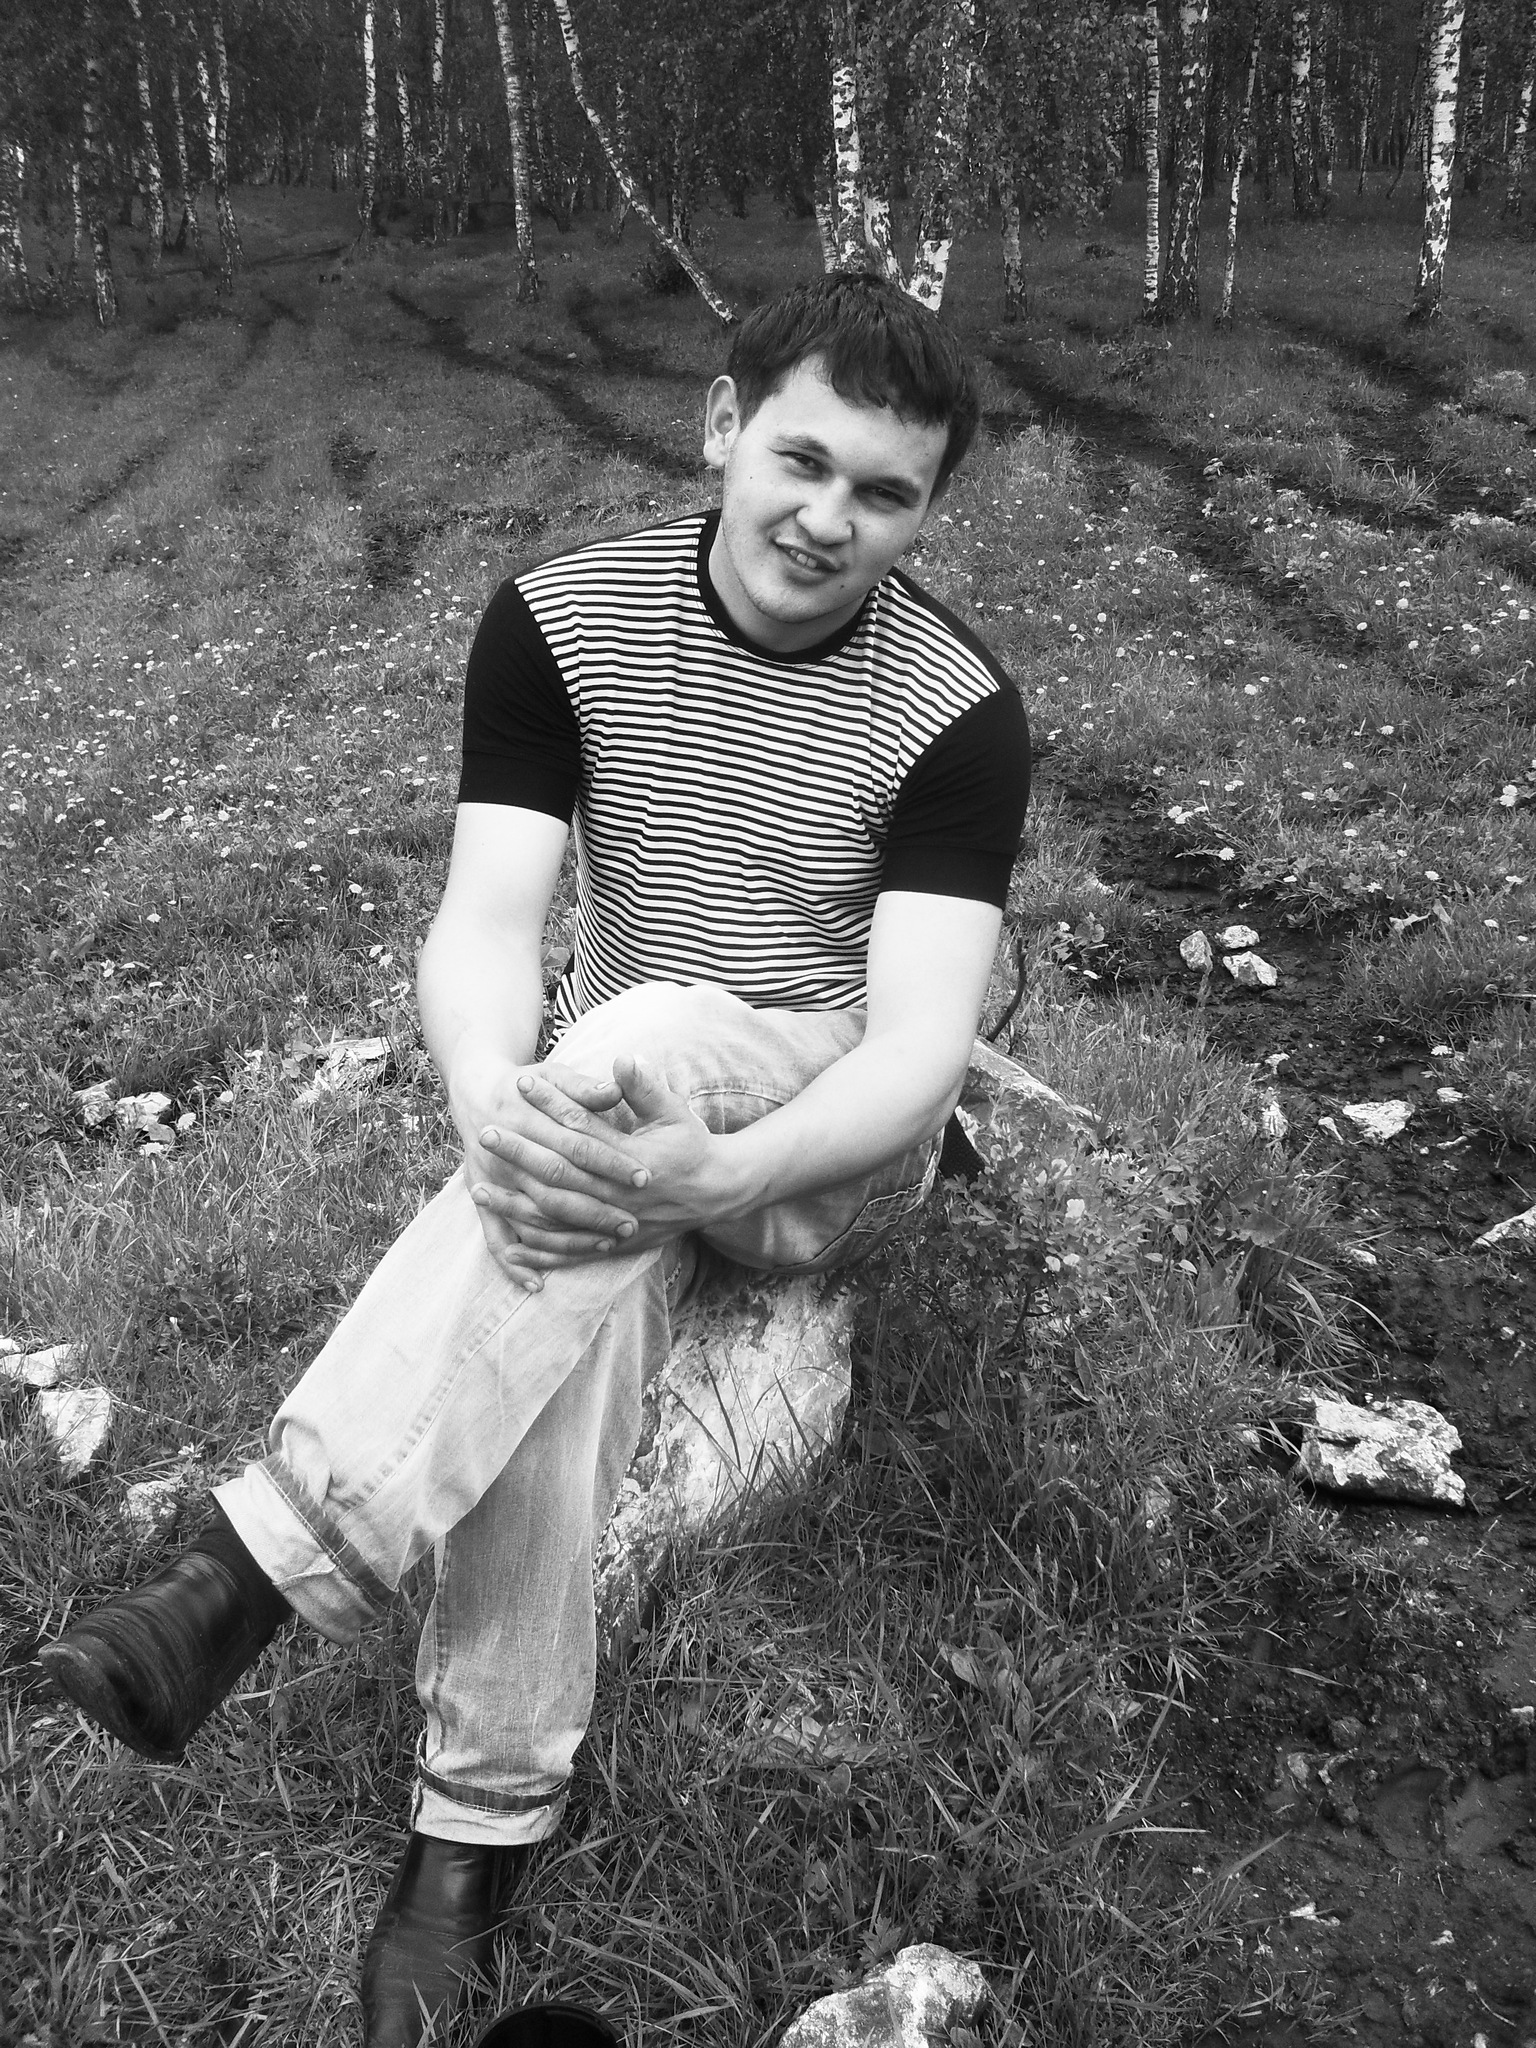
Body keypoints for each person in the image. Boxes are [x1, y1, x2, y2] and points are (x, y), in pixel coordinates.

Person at [40, 272, 1031, 2047]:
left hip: (818, 1140)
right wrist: (491, 1092)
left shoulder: (956, 707)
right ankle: (474, 1834)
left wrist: (726, 1177)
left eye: (885, 493)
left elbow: (916, 1053)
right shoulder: (563, 621)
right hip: (613, 1105)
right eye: (803, 461)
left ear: (924, 510)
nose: (830, 519)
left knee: (640, 1034)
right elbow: (489, 920)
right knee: (560, 1299)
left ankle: (253, 1568)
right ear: (722, 428)